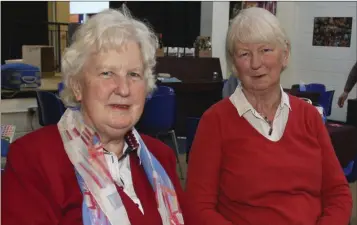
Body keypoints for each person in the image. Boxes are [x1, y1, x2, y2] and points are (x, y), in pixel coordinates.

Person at [2, 7, 186, 225]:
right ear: (78, 87)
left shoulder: (161, 157)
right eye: (107, 73)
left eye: (134, 74)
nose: (124, 89)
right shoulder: (34, 158)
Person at [185, 7, 352, 225]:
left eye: (265, 50)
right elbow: (197, 207)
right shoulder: (215, 121)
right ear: (234, 64)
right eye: (244, 54)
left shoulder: (309, 117)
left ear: (285, 55)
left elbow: (338, 193)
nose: (256, 63)